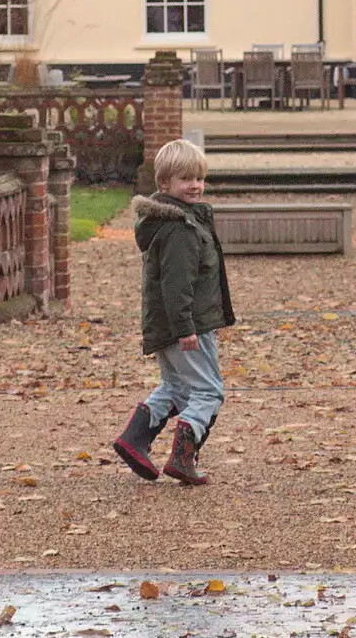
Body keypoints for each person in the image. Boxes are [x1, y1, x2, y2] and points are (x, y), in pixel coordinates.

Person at [111, 138, 235, 486]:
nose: (195, 185)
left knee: (177, 386)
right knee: (209, 392)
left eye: (199, 178)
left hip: (169, 324)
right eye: (185, 179)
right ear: (164, 184)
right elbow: (176, 285)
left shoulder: (179, 221)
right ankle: (183, 456)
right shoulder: (180, 228)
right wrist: (186, 328)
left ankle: (135, 439)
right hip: (185, 325)